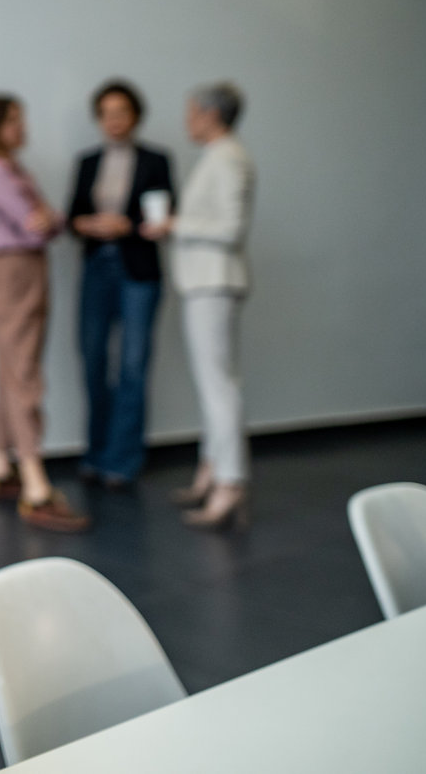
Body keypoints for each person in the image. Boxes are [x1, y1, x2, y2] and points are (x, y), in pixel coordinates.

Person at [0, 95, 90, 533]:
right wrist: (50, 218)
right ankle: (36, 486)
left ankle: (0, 466)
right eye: (14, 120)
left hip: (23, 269)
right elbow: (38, 221)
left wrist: (50, 220)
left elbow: (48, 223)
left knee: (11, 371)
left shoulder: (3, 169)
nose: (22, 127)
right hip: (16, 268)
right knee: (23, 375)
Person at [142, 84, 256, 530]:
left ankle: (230, 481)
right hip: (205, 283)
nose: (187, 120)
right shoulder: (220, 156)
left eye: (191, 112)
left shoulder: (229, 158)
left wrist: (174, 224)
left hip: (214, 282)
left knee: (219, 384)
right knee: (214, 382)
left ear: (211, 114)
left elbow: (231, 228)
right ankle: (211, 471)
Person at [65, 80, 175, 489]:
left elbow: (165, 213)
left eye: (122, 112)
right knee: (93, 358)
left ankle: (123, 459)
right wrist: (91, 224)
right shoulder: (88, 162)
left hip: (138, 269)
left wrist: (127, 225)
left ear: (135, 116)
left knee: (133, 364)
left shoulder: (155, 160)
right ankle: (96, 452)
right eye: (107, 113)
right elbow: (72, 216)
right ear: (99, 118)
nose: (114, 120)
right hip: (97, 265)